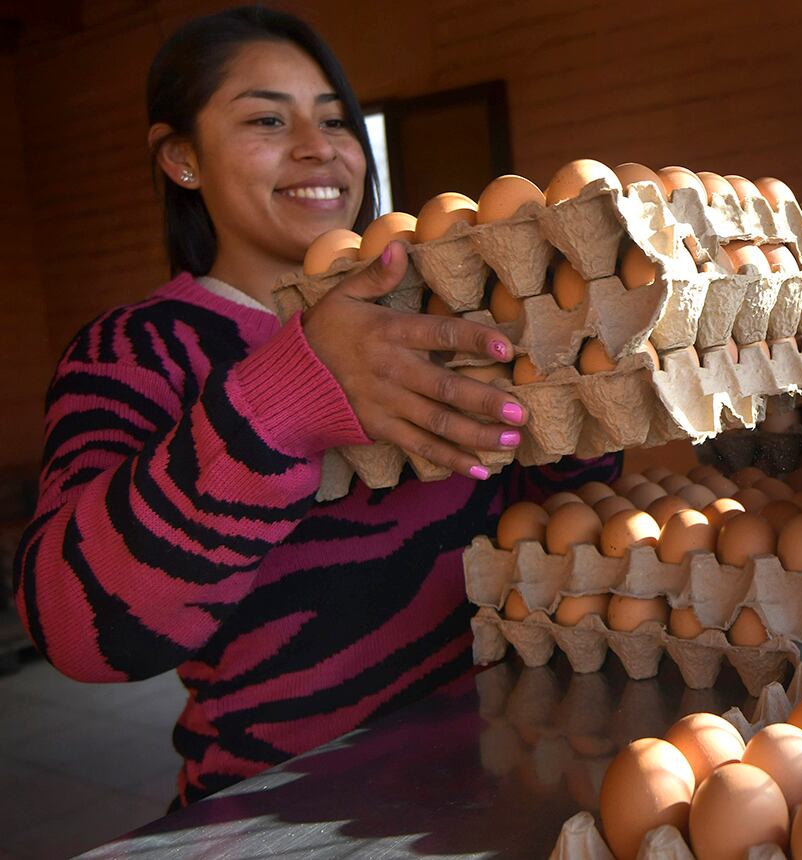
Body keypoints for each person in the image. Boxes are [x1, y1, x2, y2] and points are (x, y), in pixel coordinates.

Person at [13, 6, 615, 807]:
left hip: (494, 762)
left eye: (336, 121)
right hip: (286, 804)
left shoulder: (437, 316)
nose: (318, 147)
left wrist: (580, 385)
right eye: (268, 118)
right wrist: (288, 392)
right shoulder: (138, 350)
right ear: (183, 158)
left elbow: (536, 513)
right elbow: (80, 630)